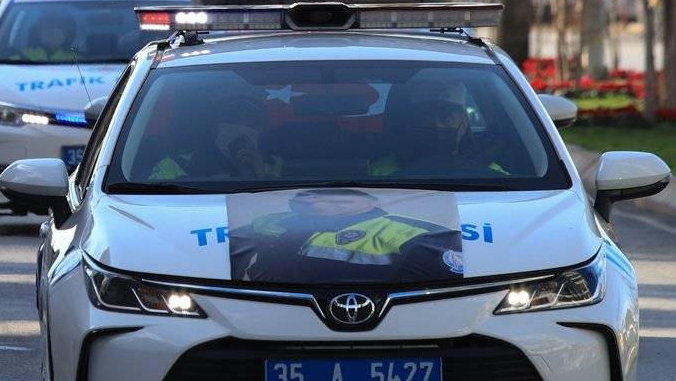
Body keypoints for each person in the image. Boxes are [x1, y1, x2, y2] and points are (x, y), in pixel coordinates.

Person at [232, 188, 461, 284]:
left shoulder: (416, 234)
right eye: (308, 195)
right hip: (266, 319)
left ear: (373, 201)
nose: (317, 199)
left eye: (342, 196)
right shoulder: (268, 221)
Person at [368, 79, 507, 177]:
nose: (436, 125)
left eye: (446, 117)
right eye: (426, 116)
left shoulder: (494, 175)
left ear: (463, 125)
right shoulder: (381, 171)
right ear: (413, 122)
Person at [148, 92, 281, 180]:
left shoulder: (278, 166)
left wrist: (259, 177)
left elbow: (283, 217)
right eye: (231, 117)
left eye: (250, 119)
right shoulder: (173, 166)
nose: (240, 126)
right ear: (213, 124)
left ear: (262, 128)